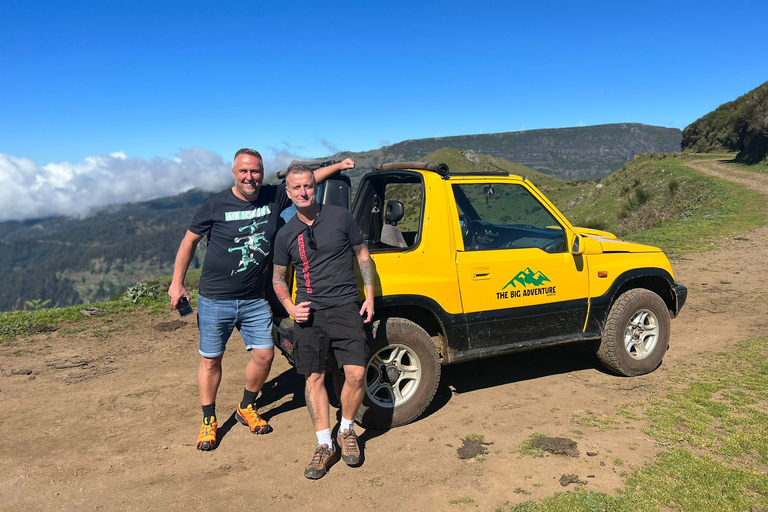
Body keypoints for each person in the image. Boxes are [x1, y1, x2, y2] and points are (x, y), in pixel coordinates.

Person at [168, 149, 354, 451]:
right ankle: (208, 420)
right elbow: (189, 241)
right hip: (216, 298)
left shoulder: (273, 196)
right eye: (243, 171)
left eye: (255, 171)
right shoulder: (214, 204)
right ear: (233, 172)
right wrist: (177, 283)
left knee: (265, 355)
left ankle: (246, 406)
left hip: (254, 298)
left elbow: (304, 183)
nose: (249, 177)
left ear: (262, 172)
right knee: (211, 360)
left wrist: (339, 166)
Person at [272, 163, 376, 479]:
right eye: (296, 188)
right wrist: (290, 305)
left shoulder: (340, 217)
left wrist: (369, 295)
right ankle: (323, 445)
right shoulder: (286, 233)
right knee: (314, 378)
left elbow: (362, 254)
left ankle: (346, 430)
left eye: (308, 186)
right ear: (288, 193)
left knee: (356, 374)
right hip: (310, 314)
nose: (303, 192)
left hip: (346, 307)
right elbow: (278, 278)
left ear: (314, 187)